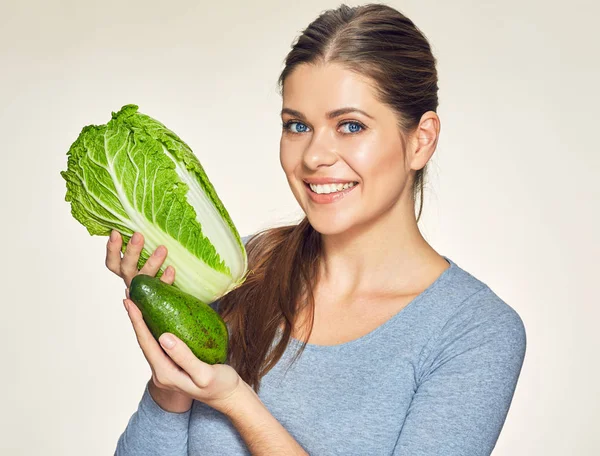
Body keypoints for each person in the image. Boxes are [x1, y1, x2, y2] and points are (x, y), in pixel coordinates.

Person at [109, 3, 526, 455]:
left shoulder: (473, 331)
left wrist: (234, 400)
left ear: (420, 139)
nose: (313, 157)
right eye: (297, 125)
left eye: (350, 126)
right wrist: (172, 386)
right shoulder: (239, 273)